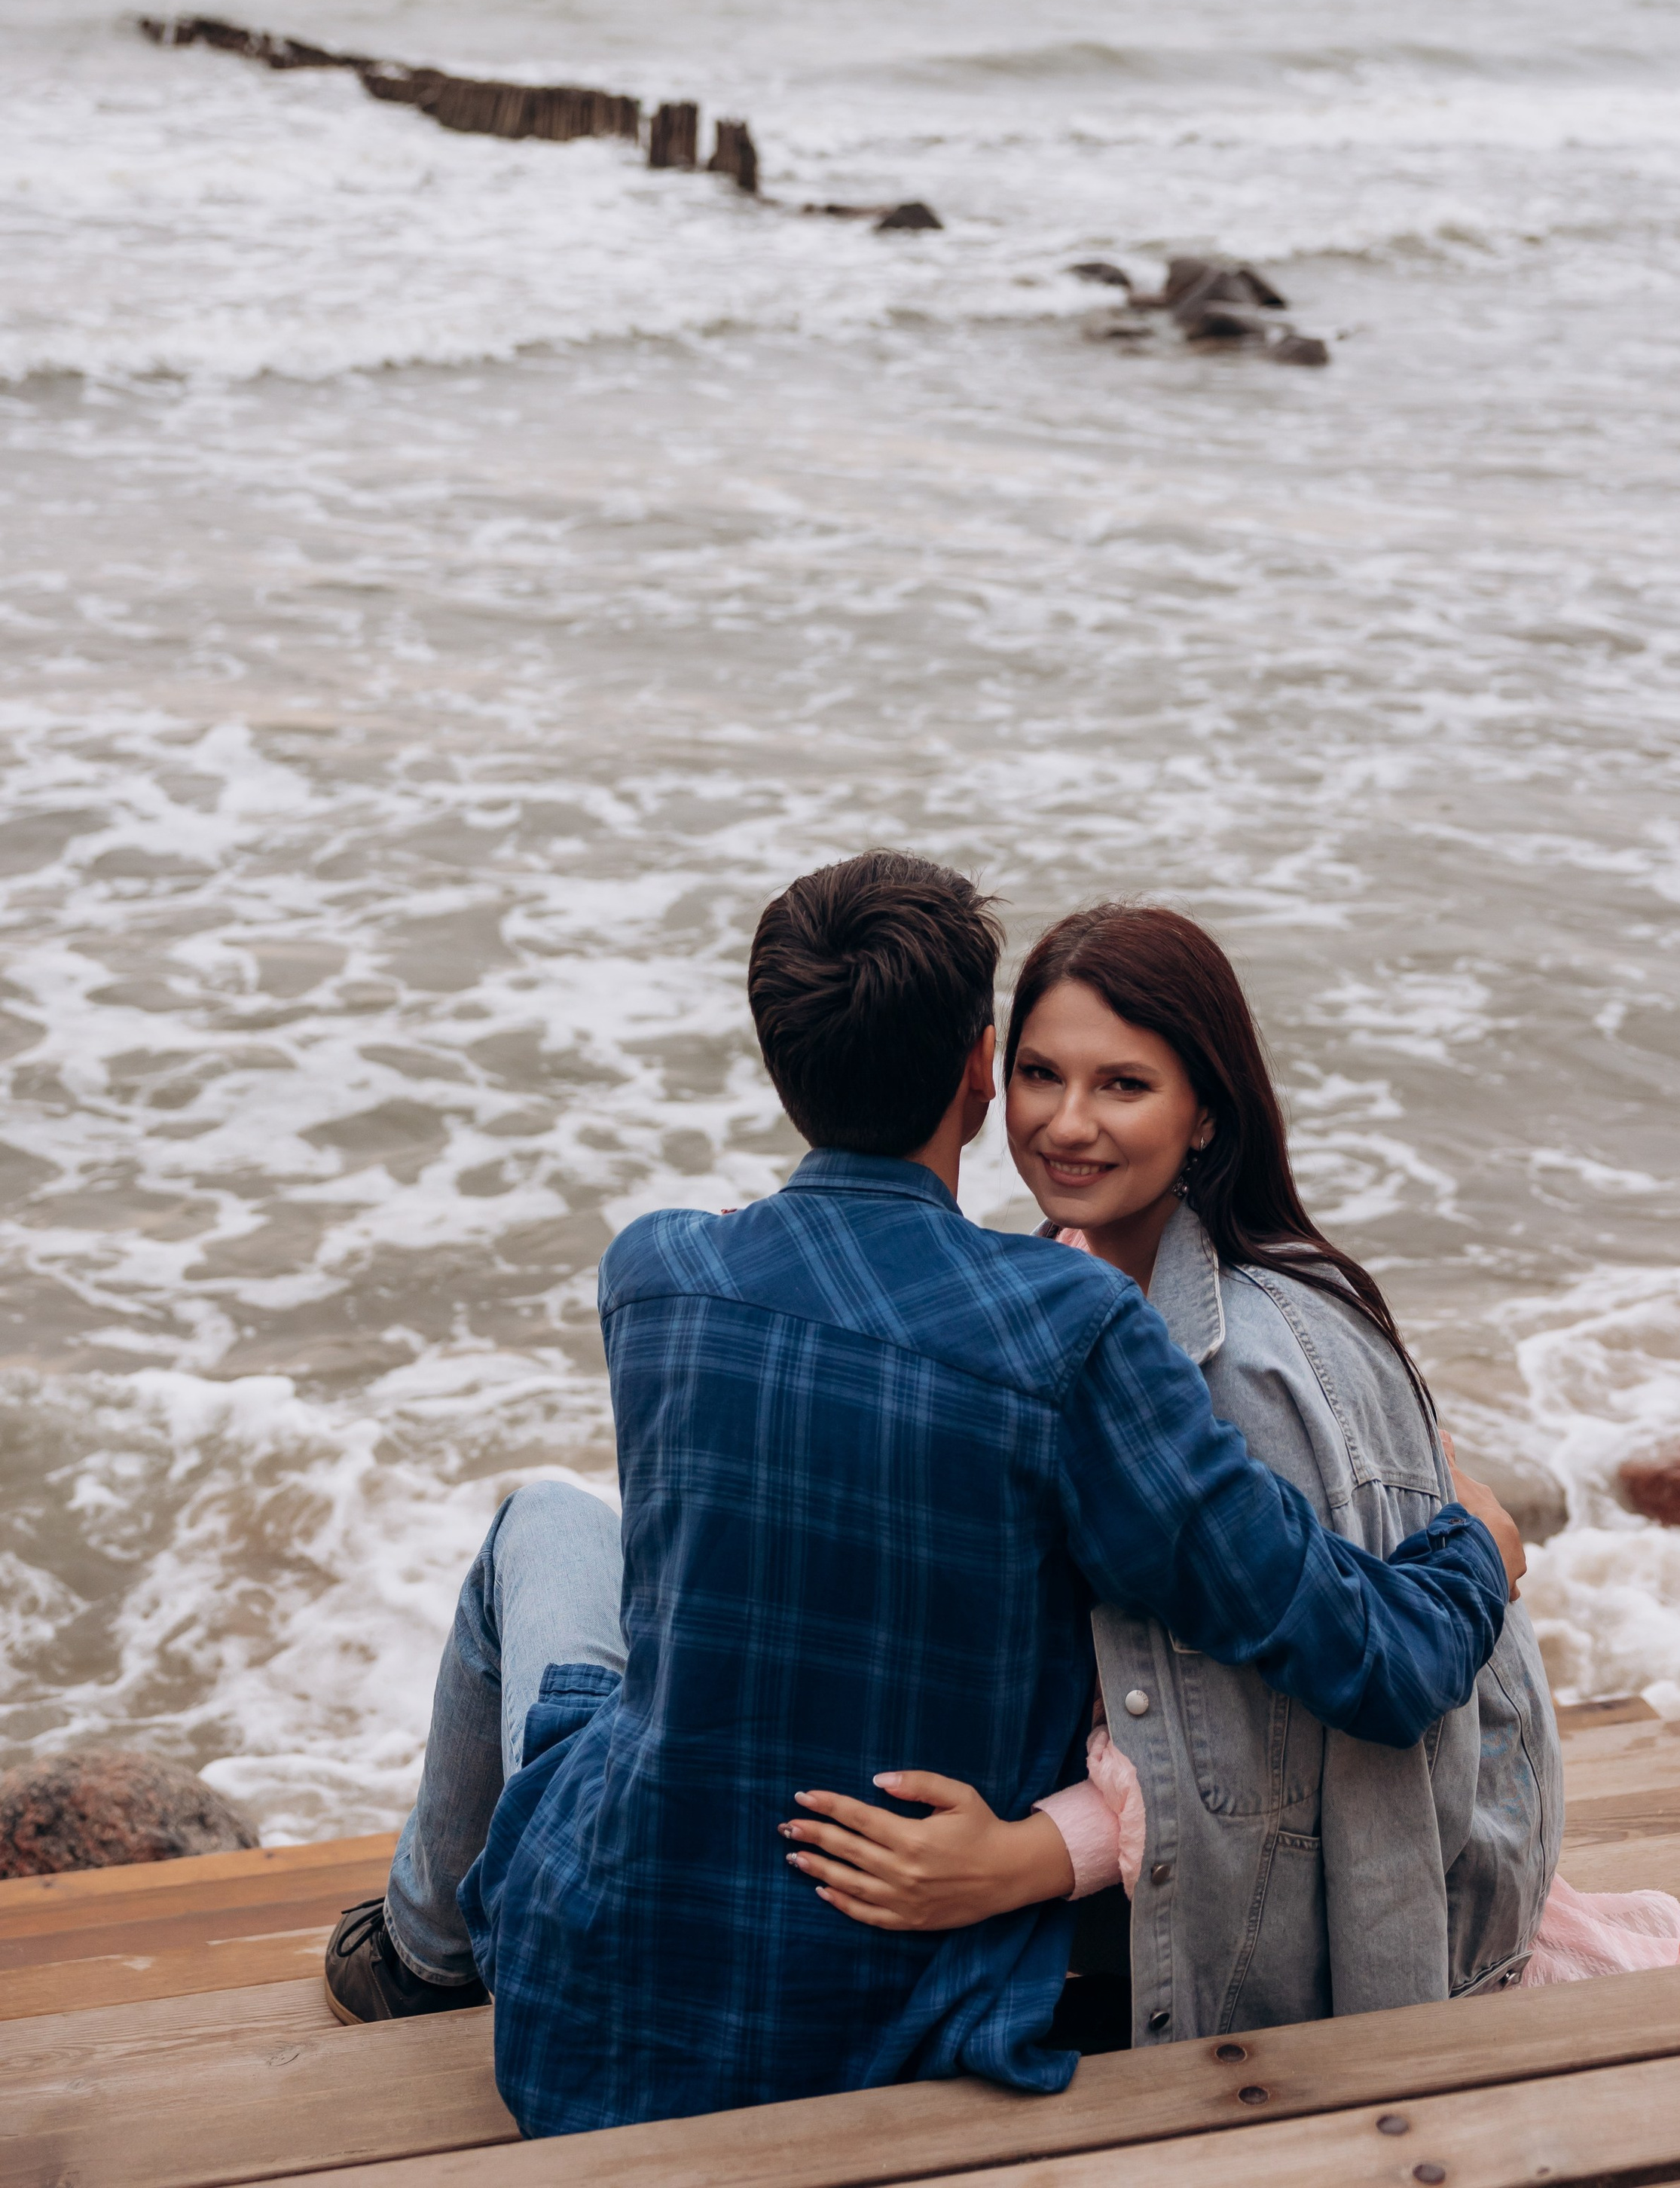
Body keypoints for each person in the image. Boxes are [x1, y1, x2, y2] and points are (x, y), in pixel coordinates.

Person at [322, 854, 1518, 2137]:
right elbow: (1374, 1661)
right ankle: (427, 1946)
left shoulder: (656, 1274)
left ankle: (421, 1956)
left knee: (541, 1525)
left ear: (782, 1066)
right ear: (979, 1069)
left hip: (604, 1993)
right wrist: (1479, 1548)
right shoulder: (1071, 1329)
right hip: (887, 2019)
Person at [783, 905, 1680, 2040]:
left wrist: (1022, 1860)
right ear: (986, 1078)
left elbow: (1280, 1749)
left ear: (1206, 1110)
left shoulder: (1245, 1365)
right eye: (1039, 1074)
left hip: (1319, 1913)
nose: (1066, 1124)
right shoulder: (1065, 1277)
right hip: (1174, 1828)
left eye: (1123, 1086)